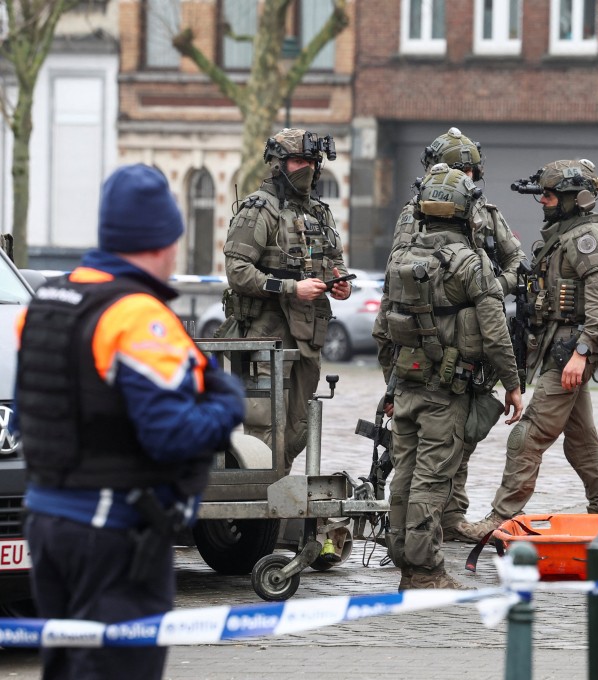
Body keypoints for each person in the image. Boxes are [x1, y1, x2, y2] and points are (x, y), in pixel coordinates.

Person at [15, 165, 246, 680]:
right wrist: (228, 405)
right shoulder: (136, 315)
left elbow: (42, 406)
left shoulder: (46, 301)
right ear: (161, 241)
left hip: (48, 529)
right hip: (114, 537)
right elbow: (171, 434)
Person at [458, 159, 598, 541]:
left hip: (569, 354)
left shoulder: (587, 240)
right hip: (559, 350)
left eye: (550, 196)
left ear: (574, 198)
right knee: (583, 443)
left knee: (529, 435)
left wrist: (582, 353)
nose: (544, 202)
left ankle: (501, 518)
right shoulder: (565, 235)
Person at [373, 163, 523, 589]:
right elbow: (495, 332)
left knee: (404, 473)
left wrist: (394, 382)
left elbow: (383, 328)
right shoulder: (471, 263)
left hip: (407, 386)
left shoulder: (400, 256)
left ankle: (406, 561)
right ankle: (423, 571)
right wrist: (512, 385)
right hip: (446, 390)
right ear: (465, 212)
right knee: (432, 478)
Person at [222, 128, 351, 470]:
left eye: (311, 161)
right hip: (267, 336)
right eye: (298, 160)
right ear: (279, 164)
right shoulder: (259, 209)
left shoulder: (320, 213)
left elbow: (335, 261)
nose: (306, 168)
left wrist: (339, 284)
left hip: (308, 335)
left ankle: (279, 496)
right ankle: (259, 508)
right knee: (266, 430)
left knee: (298, 429)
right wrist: (291, 288)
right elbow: (237, 270)